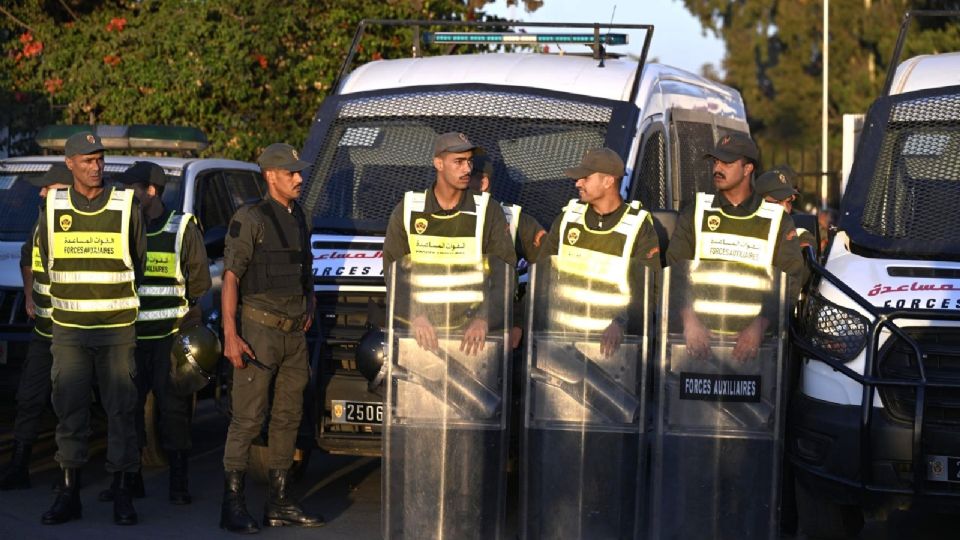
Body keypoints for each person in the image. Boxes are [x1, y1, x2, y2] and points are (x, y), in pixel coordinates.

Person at [36, 132, 147, 526]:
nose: (96, 166)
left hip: (116, 329)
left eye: (99, 159)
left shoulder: (125, 204)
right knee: (69, 411)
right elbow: (45, 259)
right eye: (87, 160)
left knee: (121, 411)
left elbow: (138, 261)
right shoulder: (53, 207)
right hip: (69, 330)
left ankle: (122, 492)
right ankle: (69, 494)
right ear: (70, 164)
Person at [219, 143, 323, 533]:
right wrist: (231, 335)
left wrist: (309, 302)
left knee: (288, 417)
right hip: (258, 332)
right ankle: (232, 504)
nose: (299, 178)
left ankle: (279, 503)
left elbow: (304, 267)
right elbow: (231, 277)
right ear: (270, 176)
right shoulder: (251, 218)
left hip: (294, 335)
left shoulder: (301, 216)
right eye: (291, 172)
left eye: (299, 172)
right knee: (247, 419)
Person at [95, 161, 210, 505]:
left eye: (130, 188)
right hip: (128, 337)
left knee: (173, 410)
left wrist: (187, 322)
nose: (122, 193)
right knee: (126, 410)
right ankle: (129, 480)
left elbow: (200, 282)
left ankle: (178, 483)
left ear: (151, 191)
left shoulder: (182, 227)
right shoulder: (121, 226)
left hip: (168, 338)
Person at [666, 132, 804, 361]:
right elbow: (674, 271)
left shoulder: (776, 220)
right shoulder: (696, 212)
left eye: (727, 163)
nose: (717, 169)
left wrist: (759, 325)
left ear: (748, 168)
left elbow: (790, 279)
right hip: (696, 346)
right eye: (715, 162)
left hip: (757, 351)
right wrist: (689, 320)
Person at [383, 132, 517, 354]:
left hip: (473, 341)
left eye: (469, 161)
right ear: (438, 164)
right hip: (419, 338)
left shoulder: (488, 210)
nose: (467, 169)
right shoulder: (407, 210)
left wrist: (484, 319)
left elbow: (505, 273)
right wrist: (415, 316)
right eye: (459, 162)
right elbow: (393, 272)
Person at [537, 147, 661, 357]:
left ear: (608, 181)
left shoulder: (638, 226)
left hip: (611, 351)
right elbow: (541, 275)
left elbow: (649, 289)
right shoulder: (568, 219)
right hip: (559, 345)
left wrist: (620, 323)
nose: (578, 183)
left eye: (585, 178)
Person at [0, 164, 72, 491]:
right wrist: (29, 295)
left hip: (76, 332)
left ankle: (69, 472)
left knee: (70, 402)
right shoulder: (43, 219)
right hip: (44, 330)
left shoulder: (85, 224)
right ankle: (19, 467)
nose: (41, 193)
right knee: (29, 397)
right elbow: (27, 257)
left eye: (49, 187)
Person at [468, 158, 545, 349]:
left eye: (464, 177)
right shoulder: (435, 216)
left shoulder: (519, 224)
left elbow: (545, 277)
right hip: (441, 330)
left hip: (501, 336)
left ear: (483, 183)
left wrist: (518, 323)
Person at [754, 165, 817, 253]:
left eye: (788, 202)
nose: (785, 209)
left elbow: (804, 238)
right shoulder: (743, 228)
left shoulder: (796, 230)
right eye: (777, 202)